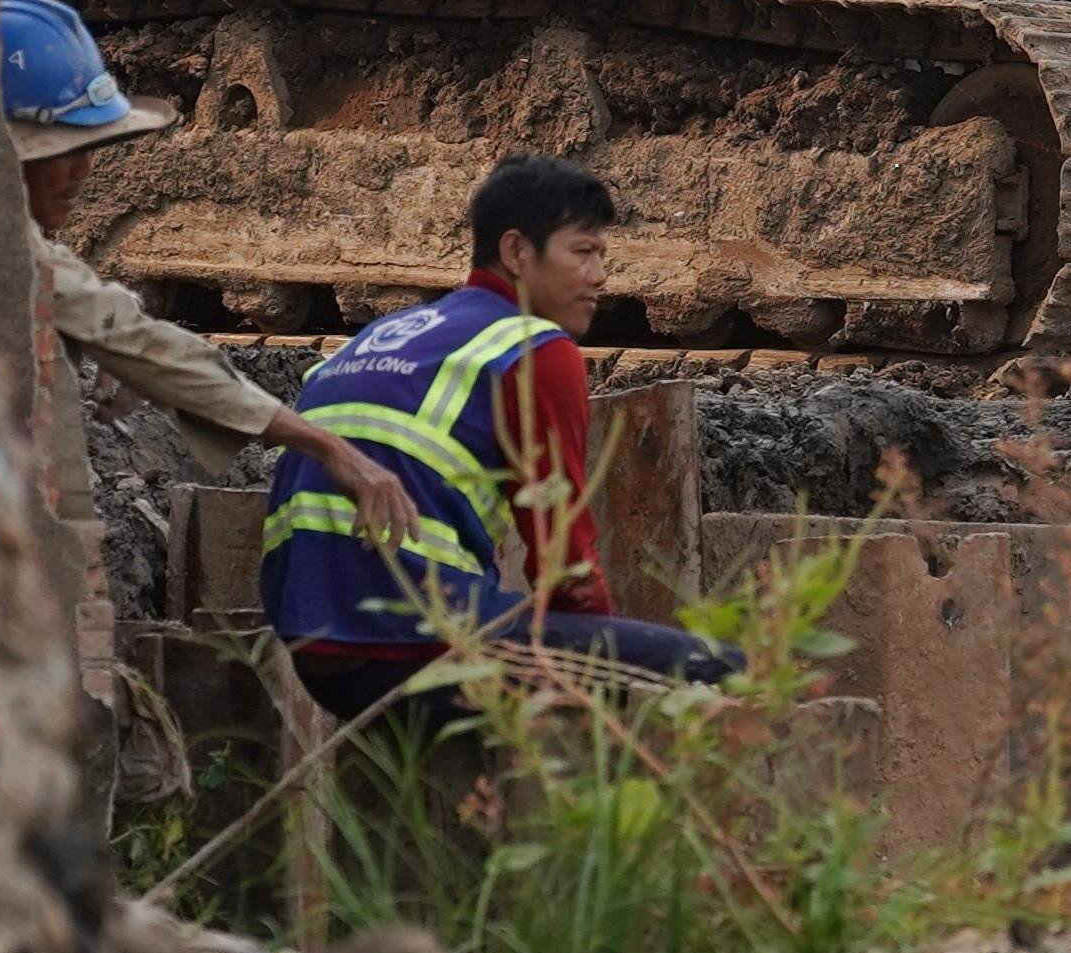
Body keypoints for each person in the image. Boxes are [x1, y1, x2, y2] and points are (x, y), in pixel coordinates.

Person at [6, 0, 420, 707]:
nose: (79, 175)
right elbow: (156, 352)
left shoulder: (2, 239)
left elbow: (110, 319)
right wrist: (328, 448)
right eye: (59, 153)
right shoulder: (4, 249)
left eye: (85, 151)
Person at [259, 149, 734, 715]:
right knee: (724, 672)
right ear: (516, 251)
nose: (600, 276)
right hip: (420, 645)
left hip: (316, 653)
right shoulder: (534, 348)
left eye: (602, 255)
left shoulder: (383, 336)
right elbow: (565, 564)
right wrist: (602, 678)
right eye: (583, 252)